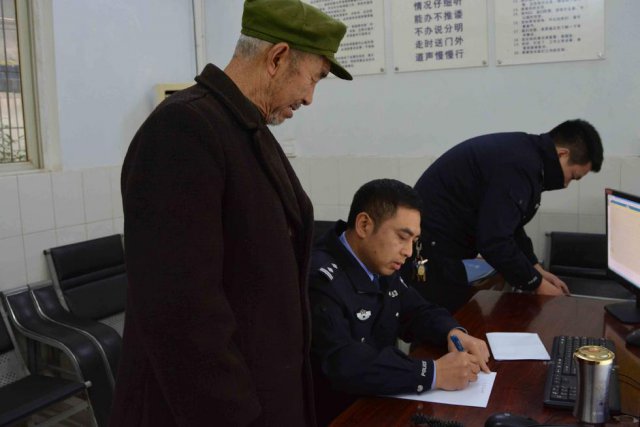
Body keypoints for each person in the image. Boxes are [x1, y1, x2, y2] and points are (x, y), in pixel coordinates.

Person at [110, 1, 352, 426]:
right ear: (277, 58)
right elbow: (183, 314)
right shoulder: (184, 129)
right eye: (314, 78)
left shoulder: (246, 127)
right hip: (215, 411)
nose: (310, 98)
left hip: (262, 392)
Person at [309, 179, 491, 425]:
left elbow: (417, 310)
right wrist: (432, 374)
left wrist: (452, 332)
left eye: (413, 241)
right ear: (364, 225)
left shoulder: (378, 263)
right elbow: (345, 364)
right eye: (402, 237)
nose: (408, 251)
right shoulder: (320, 278)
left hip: (380, 400)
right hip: (340, 413)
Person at [409, 119, 604, 313]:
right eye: (572, 176)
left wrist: (537, 270)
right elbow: (494, 241)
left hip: (443, 246)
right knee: (440, 319)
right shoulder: (519, 165)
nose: (566, 185)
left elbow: (510, 224)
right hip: (429, 248)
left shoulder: (526, 155)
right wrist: (538, 285)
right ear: (562, 154)